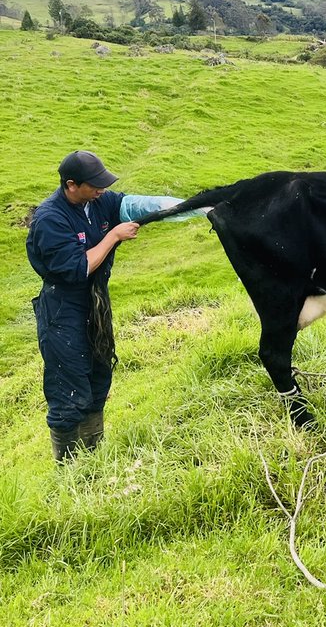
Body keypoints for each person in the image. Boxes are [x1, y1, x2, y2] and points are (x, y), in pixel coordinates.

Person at [25, 151, 197, 462]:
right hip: (63, 309)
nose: (102, 190)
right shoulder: (50, 219)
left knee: (99, 375)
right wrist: (114, 235)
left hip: (95, 305)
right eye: (95, 185)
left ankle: (94, 459)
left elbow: (131, 204)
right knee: (69, 390)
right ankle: (70, 471)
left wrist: (190, 207)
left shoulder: (96, 202)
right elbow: (78, 268)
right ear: (72, 185)